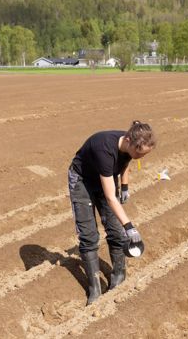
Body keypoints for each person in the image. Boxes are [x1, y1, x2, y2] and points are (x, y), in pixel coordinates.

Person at [68, 120, 156, 305]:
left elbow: (125, 162)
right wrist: (130, 227)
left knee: (115, 231)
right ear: (130, 143)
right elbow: (110, 197)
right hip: (82, 181)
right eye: (140, 154)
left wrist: (124, 186)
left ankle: (118, 277)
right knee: (89, 235)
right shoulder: (105, 149)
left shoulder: (128, 144)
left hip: (104, 177)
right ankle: (94, 289)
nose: (141, 158)